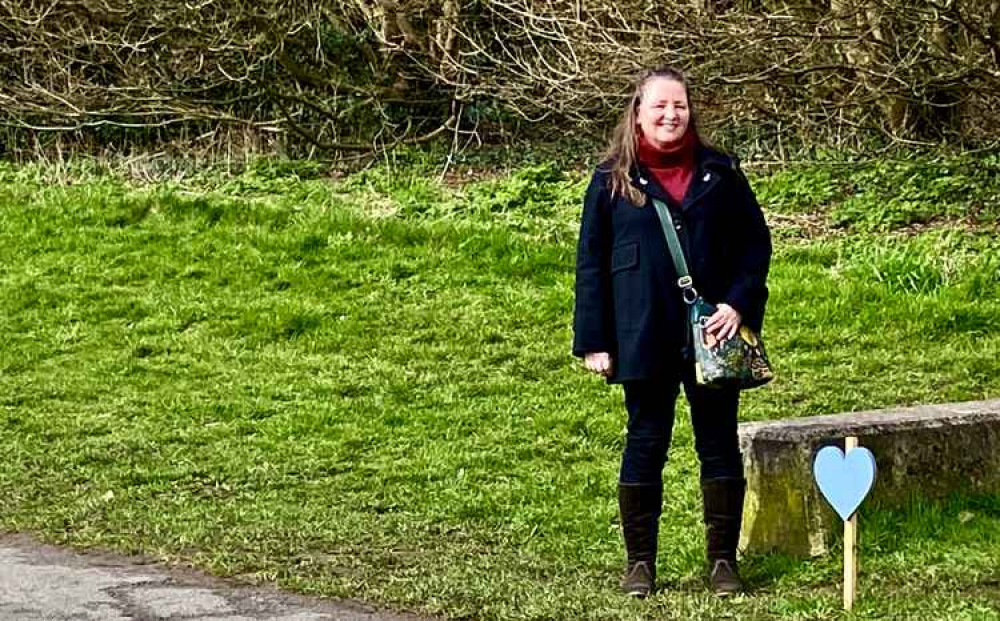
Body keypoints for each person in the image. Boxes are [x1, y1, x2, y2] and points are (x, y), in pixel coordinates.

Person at [572, 66, 771, 598]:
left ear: (691, 111)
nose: (670, 115)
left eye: (679, 105)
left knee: (718, 445)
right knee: (645, 442)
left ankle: (723, 564)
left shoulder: (721, 172)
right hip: (642, 334)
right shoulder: (611, 178)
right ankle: (640, 564)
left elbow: (755, 247)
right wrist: (594, 340)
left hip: (712, 336)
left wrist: (738, 304)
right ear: (638, 112)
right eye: (659, 106)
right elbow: (591, 263)